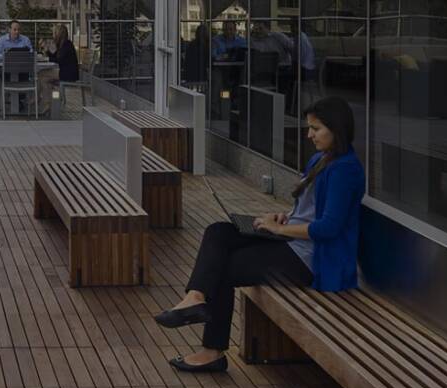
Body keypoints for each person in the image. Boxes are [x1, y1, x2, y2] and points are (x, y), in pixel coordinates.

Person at [153, 97, 364, 373]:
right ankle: (195, 297)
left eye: (316, 129)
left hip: (311, 260)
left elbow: (328, 229)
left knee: (226, 267)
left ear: (338, 129)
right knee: (219, 231)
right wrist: (284, 217)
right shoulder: (321, 159)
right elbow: (309, 210)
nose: (309, 134)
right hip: (292, 241)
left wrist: (279, 229)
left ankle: (211, 351)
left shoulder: (345, 170)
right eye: (309, 127)